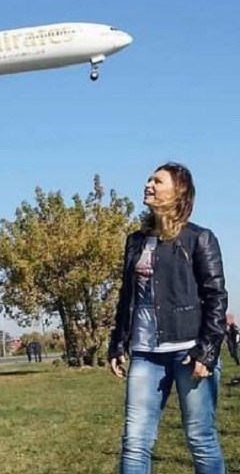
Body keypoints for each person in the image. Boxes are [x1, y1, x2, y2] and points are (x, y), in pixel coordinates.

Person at [108, 162, 228, 474]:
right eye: (148, 178)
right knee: (135, 441)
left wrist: (208, 351)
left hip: (190, 352)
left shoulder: (200, 239)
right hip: (146, 354)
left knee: (200, 438)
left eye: (157, 181)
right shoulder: (136, 241)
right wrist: (117, 343)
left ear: (178, 192)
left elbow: (216, 297)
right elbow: (127, 296)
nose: (148, 184)